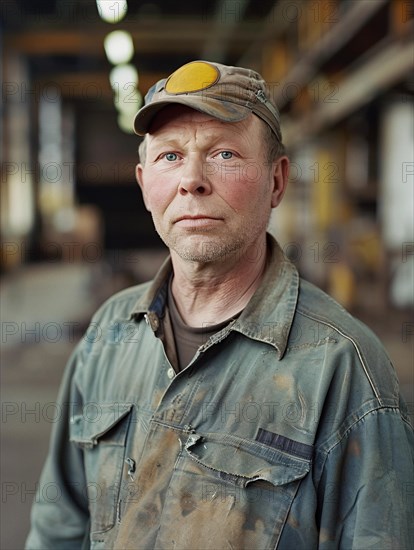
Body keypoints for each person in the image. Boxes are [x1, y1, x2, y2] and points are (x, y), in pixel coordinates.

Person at [26, 60, 413, 549]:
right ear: (145, 184)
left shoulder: (342, 367)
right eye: (170, 157)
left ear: (276, 181)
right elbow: (58, 529)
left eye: (224, 154)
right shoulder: (109, 333)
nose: (192, 180)